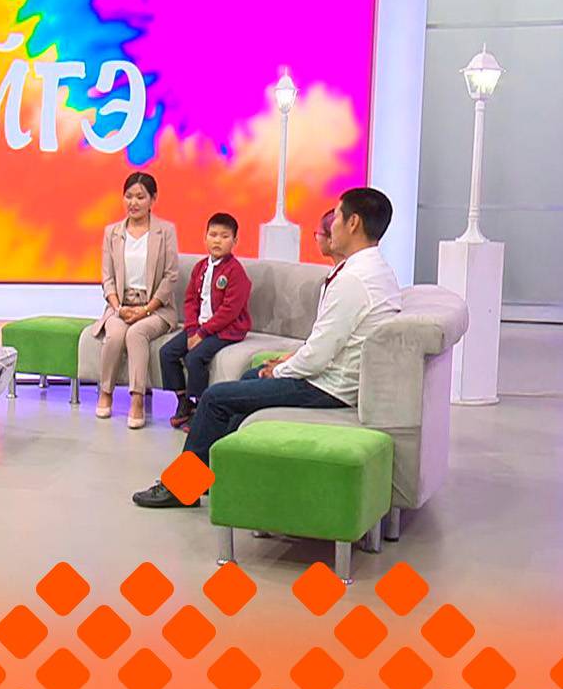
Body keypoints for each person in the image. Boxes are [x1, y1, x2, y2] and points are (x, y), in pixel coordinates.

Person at [132, 187, 403, 508]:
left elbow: (319, 356)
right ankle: (213, 475)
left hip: (329, 387)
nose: (333, 224)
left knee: (216, 398)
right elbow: (332, 341)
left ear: (353, 222)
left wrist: (279, 369)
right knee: (248, 380)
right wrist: (286, 361)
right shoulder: (375, 271)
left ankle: (181, 488)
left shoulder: (354, 280)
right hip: (334, 376)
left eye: (338, 216)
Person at [93, 172, 182, 429]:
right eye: (129, 196)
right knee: (115, 335)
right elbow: (107, 278)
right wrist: (118, 307)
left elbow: (170, 277)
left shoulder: (165, 231)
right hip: (120, 306)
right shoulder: (112, 232)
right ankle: (106, 392)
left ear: (153, 199)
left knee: (136, 334)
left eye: (140, 197)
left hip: (156, 308)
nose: (133, 202)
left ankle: (137, 399)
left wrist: (145, 310)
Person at [159, 213, 251, 431]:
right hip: (199, 327)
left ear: (235, 241)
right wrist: (192, 330)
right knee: (167, 353)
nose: (217, 240)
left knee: (195, 357)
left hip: (226, 330)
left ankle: (201, 409)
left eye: (224, 236)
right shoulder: (200, 267)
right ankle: (184, 401)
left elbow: (230, 311)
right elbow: (190, 300)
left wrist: (202, 334)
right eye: (213, 235)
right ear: (205, 237)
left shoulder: (235, 272)